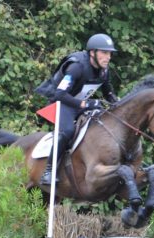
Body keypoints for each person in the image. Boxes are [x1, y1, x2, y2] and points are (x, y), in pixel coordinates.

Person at [35, 33, 119, 185]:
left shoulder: (104, 70)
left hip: (79, 104)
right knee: (67, 131)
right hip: (61, 102)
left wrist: (118, 104)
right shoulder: (76, 67)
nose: (108, 57)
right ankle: (48, 170)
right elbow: (60, 94)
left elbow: (109, 94)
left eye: (110, 54)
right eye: (104, 53)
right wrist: (85, 105)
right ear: (92, 53)